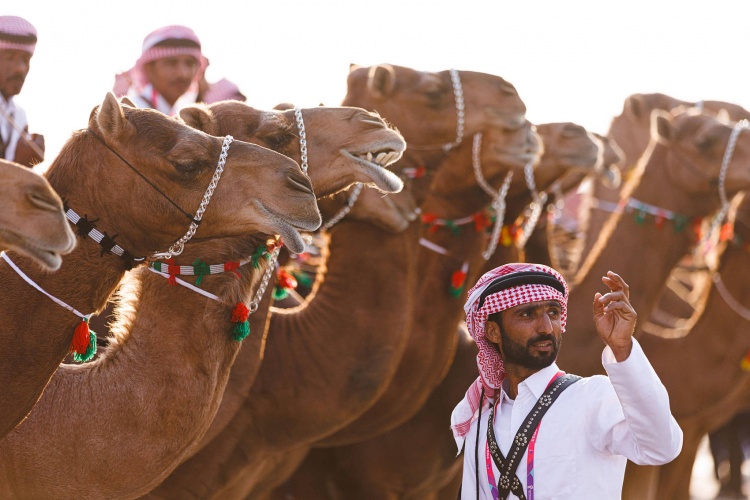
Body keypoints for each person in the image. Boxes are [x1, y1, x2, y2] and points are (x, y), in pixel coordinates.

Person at [451, 263, 683, 499]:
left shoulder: (591, 397)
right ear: (493, 332)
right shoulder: (479, 423)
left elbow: (662, 447)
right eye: (527, 314)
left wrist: (622, 348)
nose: (546, 327)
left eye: (552, 312)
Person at [120, 25, 207, 116]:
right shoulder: (132, 114)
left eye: (190, 63)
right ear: (149, 69)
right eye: (171, 63)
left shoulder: (180, 112)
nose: (182, 74)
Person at [0, 15, 44, 167]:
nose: (20, 68)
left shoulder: (19, 115)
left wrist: (29, 163)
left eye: (26, 59)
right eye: (10, 57)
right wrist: (19, 163)